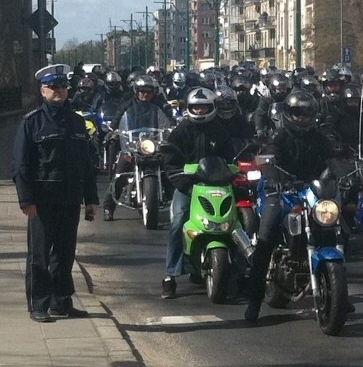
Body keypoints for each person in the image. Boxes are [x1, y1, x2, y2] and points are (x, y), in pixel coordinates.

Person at [11, 64, 99, 322]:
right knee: (39, 256)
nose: (59, 91)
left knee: (64, 253)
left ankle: (61, 302)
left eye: (63, 87)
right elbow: (20, 164)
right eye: (53, 87)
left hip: (70, 198)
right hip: (42, 200)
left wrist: (90, 199)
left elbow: (86, 163)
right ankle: (38, 304)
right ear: (43, 91)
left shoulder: (77, 122)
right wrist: (26, 199)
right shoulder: (32, 123)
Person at [245, 90, 335, 322]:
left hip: (310, 190)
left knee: (333, 226)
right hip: (280, 190)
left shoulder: (318, 137)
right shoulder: (280, 137)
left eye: (306, 113)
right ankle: (254, 300)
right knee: (266, 238)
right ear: (288, 113)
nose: (302, 117)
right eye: (297, 112)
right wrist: (273, 175)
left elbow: (332, 158)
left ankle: (337, 292)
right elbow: (270, 159)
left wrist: (345, 174)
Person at [161, 87, 236, 299]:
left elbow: (231, 159)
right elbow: (170, 164)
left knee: (238, 220)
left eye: (204, 107)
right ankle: (170, 275)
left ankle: (242, 268)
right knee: (178, 221)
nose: (200, 111)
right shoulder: (181, 131)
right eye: (196, 108)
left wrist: (233, 172)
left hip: (218, 187)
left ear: (212, 108)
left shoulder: (221, 131)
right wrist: (183, 182)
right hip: (189, 187)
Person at [102, 75, 174, 221]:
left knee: (169, 170)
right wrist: (112, 131)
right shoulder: (127, 105)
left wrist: (173, 128)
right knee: (120, 173)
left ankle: (177, 205)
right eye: (142, 91)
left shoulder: (159, 105)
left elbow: (169, 120)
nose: (145, 94)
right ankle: (108, 207)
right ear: (136, 91)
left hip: (154, 144)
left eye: (148, 91)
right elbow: (117, 120)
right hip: (132, 145)